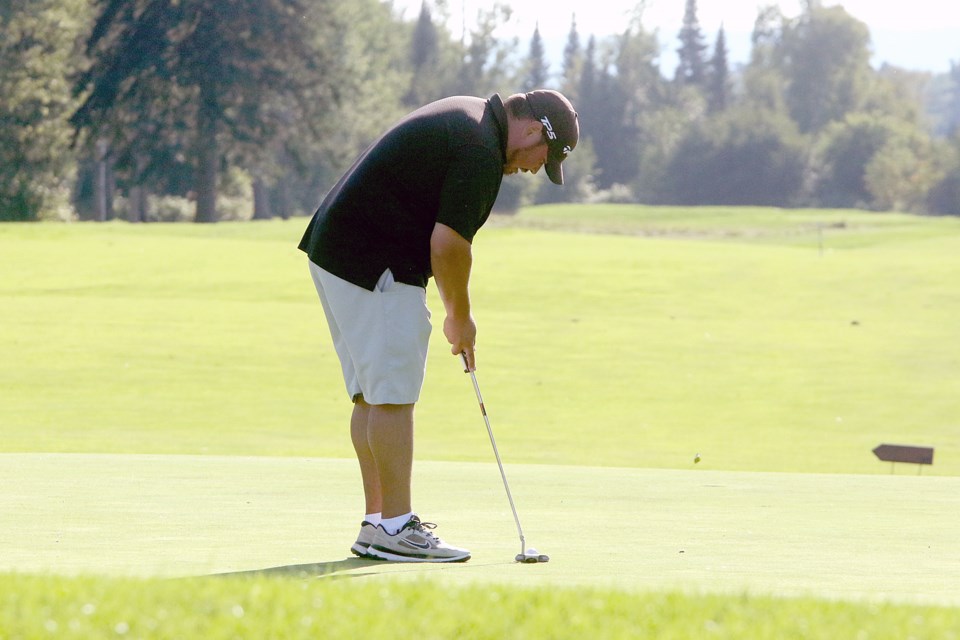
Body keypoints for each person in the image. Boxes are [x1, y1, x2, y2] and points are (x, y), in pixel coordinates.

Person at [298, 90, 579, 562]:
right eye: (541, 159)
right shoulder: (479, 152)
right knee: (391, 395)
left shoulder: (469, 117)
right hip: (373, 260)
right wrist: (460, 318)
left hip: (337, 250)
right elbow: (449, 246)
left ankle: (377, 523)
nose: (533, 169)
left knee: (372, 393)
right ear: (533, 131)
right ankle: (396, 527)